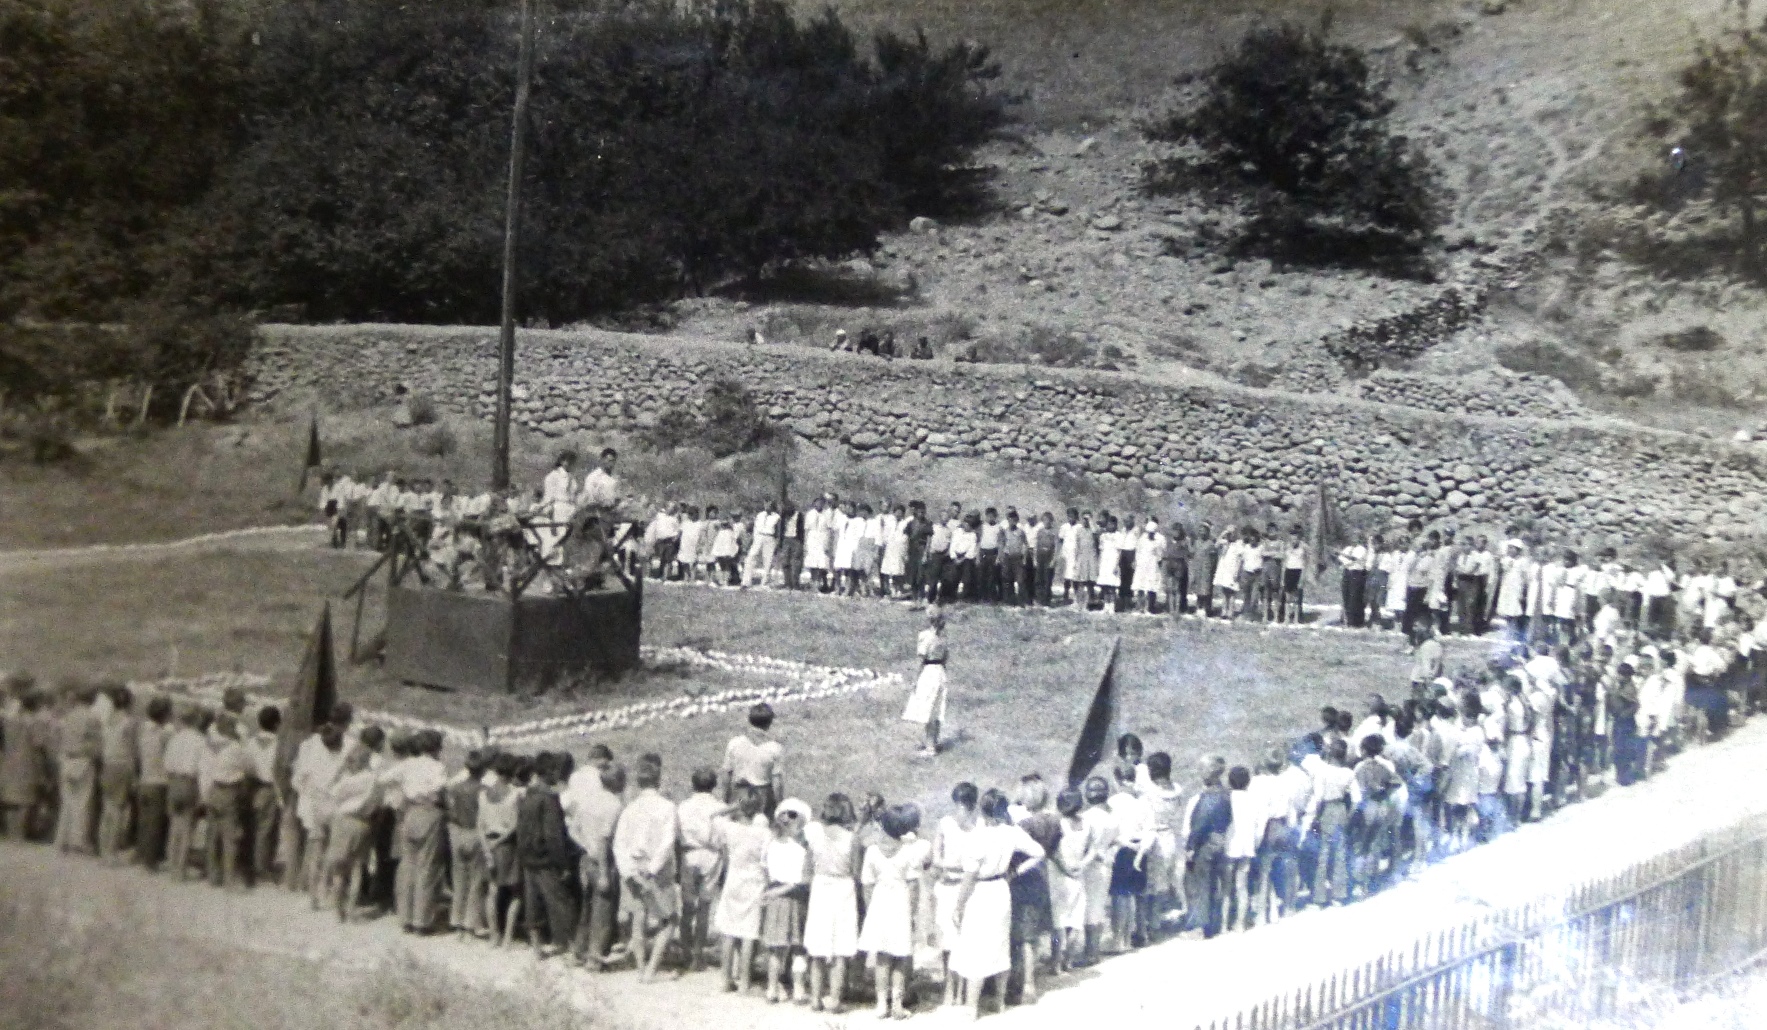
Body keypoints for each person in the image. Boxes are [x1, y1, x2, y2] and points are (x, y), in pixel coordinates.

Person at [949, 788, 1046, 1019]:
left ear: (982, 810)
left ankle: (971, 1007)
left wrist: (958, 906)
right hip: (1001, 889)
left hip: (980, 892)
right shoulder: (1012, 832)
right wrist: (1016, 871)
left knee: (976, 947)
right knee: (1000, 945)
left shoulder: (978, 837)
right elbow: (1039, 852)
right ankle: (999, 1001)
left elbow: (969, 877)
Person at [859, 802, 932, 1018]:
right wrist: (912, 912)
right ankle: (897, 1004)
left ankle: (882, 1004)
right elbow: (913, 886)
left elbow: (867, 884)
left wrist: (870, 909)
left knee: (882, 957)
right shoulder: (909, 851)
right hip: (901, 904)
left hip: (879, 903)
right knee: (901, 957)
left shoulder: (872, 851)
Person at [613, 753, 680, 982]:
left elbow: (619, 845)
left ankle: (641, 969)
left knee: (638, 918)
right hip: (657, 870)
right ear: (658, 781)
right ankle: (651, 970)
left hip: (633, 867)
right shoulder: (667, 807)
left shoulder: (629, 809)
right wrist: (651, 869)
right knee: (670, 919)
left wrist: (629, 872)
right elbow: (667, 842)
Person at [562, 746, 623, 969]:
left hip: (586, 858)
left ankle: (578, 952)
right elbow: (605, 840)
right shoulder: (614, 805)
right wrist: (605, 871)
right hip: (603, 861)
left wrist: (586, 847)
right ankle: (595, 957)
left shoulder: (588, 801)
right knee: (603, 911)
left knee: (587, 909)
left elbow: (573, 829)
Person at [517, 752, 579, 958]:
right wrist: (563, 864)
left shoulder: (528, 795)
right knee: (561, 902)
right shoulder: (549, 799)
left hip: (528, 857)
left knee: (533, 903)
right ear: (550, 772)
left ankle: (536, 948)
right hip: (545, 859)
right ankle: (570, 947)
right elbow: (553, 836)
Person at [803, 793, 859, 1012]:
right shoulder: (851, 838)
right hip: (843, 887)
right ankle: (835, 999)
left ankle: (815, 998)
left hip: (820, 887)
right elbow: (855, 870)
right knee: (840, 946)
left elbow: (807, 868)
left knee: (818, 945)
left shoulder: (814, 835)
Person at [713, 786, 771, 993]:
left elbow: (714, 816)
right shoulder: (764, 833)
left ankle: (725, 979)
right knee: (749, 933)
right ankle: (745, 981)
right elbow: (766, 861)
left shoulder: (730, 828)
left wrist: (734, 806)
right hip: (755, 881)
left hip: (734, 879)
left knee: (729, 931)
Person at [393, 729, 448, 933]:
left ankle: (405, 918)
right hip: (429, 812)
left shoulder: (408, 764)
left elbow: (383, 778)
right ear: (435, 748)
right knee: (427, 866)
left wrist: (407, 790)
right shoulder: (437, 767)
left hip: (411, 812)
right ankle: (421, 920)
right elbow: (439, 791)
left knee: (408, 865)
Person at [760, 799, 813, 1004]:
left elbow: (765, 870)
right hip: (795, 898)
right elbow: (802, 880)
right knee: (798, 947)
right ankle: (798, 989)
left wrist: (772, 890)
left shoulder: (771, 845)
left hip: (775, 897)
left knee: (776, 948)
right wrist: (785, 888)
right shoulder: (801, 850)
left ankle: (772, 988)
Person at [677, 767, 727, 971]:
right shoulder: (720, 807)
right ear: (713, 786)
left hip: (689, 853)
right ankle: (697, 954)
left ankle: (685, 952)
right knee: (705, 907)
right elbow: (723, 836)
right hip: (711, 855)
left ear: (693, 784)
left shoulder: (683, 806)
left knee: (687, 906)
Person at [478, 752, 526, 946]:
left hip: (488, 843)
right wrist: (498, 843)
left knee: (492, 890)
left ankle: (493, 935)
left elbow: (479, 825)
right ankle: (507, 937)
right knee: (516, 892)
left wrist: (487, 847)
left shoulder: (483, 794)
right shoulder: (515, 794)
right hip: (507, 846)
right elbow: (514, 826)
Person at [446, 749, 490, 940]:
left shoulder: (456, 788)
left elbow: (451, 812)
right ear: (483, 771)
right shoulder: (483, 791)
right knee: (476, 882)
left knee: (459, 880)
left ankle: (457, 921)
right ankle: (471, 924)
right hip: (475, 833)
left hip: (458, 833)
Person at [902, 611, 951, 756]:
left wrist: (914, 680)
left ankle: (930, 747)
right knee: (937, 709)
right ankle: (933, 743)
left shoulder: (925, 636)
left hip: (929, 672)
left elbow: (921, 660)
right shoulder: (943, 639)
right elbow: (945, 658)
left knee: (928, 708)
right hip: (940, 672)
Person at [133, 695, 173, 870]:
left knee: (144, 820)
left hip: (145, 779)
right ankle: (151, 860)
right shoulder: (164, 734)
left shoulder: (143, 731)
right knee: (156, 823)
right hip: (159, 781)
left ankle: (142, 853)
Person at [724, 703, 784, 817]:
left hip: (740, 794)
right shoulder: (775, 749)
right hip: (763, 797)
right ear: (769, 723)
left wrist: (725, 799)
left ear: (750, 720)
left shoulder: (734, 744)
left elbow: (727, 776)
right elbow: (777, 784)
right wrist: (780, 807)